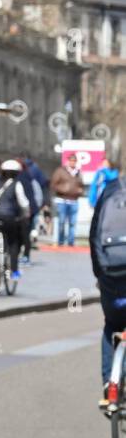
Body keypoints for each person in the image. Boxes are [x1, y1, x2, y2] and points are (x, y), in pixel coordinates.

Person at [91, 163, 126, 402]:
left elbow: (95, 235)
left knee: (111, 326)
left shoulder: (112, 189)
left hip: (111, 272)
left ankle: (108, 384)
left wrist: (100, 274)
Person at [50, 160, 84, 247]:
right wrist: (63, 189)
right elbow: (53, 184)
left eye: (74, 161)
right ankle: (60, 241)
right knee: (61, 222)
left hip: (74, 200)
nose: (73, 163)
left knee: (72, 223)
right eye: (71, 161)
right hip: (62, 200)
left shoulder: (78, 172)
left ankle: (71, 242)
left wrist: (79, 191)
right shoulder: (60, 171)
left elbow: (81, 185)